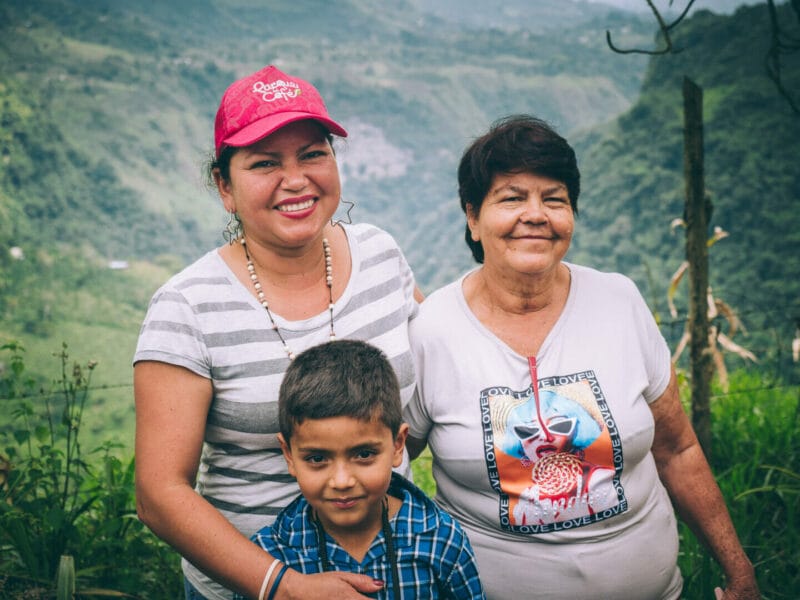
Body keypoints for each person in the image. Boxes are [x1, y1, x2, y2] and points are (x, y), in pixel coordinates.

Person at [403, 115, 760, 599]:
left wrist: (739, 572)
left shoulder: (620, 302)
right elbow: (387, 470)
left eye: (554, 199)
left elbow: (678, 449)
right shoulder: (432, 331)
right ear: (472, 217)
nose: (536, 214)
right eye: (511, 198)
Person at [133, 65, 421, 600]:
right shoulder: (187, 307)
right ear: (225, 186)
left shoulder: (381, 254)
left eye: (313, 154)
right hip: (251, 587)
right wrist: (284, 588)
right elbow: (158, 492)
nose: (296, 180)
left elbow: (432, 376)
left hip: (395, 568)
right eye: (265, 163)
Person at [242, 340, 485, 600]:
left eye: (364, 454)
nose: (342, 481)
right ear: (289, 455)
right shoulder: (271, 554)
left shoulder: (440, 540)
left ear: (398, 445)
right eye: (317, 458)